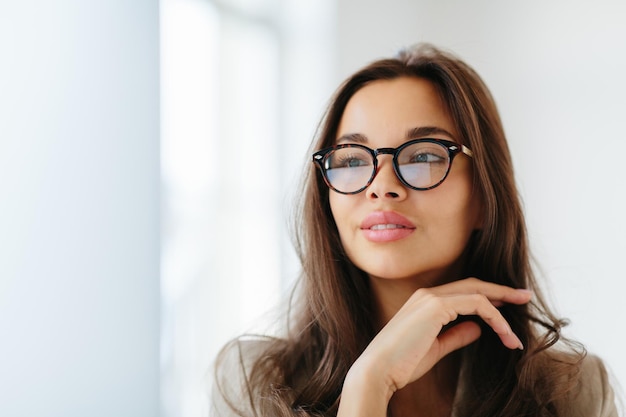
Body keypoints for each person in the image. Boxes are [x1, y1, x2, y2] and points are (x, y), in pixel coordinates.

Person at [211, 44, 620, 417]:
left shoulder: (570, 390)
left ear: (484, 196)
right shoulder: (252, 383)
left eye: (423, 155)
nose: (381, 185)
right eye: (352, 160)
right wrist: (369, 386)